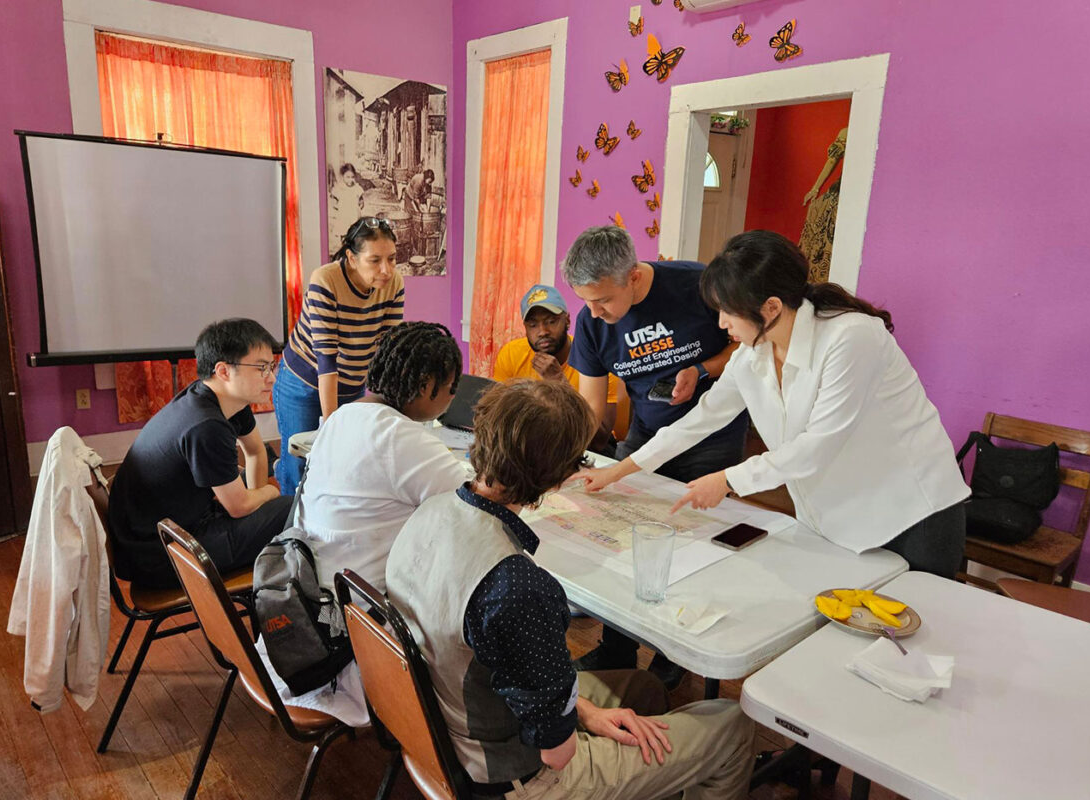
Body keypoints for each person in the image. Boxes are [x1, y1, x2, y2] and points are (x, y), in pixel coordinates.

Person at [386, 380, 755, 800]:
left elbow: (511, 671)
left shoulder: (430, 511)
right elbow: (557, 754)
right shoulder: (516, 586)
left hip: (448, 723)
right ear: (561, 477)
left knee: (644, 688)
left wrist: (584, 712)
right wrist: (577, 724)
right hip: (512, 776)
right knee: (732, 726)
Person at [578, 230, 972, 578]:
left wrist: (729, 479)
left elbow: (818, 445)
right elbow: (701, 418)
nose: (721, 326)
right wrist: (620, 471)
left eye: (727, 312)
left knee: (911, 642)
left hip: (912, 511)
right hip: (838, 513)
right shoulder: (752, 355)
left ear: (770, 307)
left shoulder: (851, 338)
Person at [256, 321, 470, 726]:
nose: (452, 397)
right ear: (426, 385)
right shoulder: (405, 438)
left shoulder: (341, 417)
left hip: (300, 608)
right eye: (450, 388)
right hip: (347, 638)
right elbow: (471, 504)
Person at [561, 226, 748, 675]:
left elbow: (745, 346)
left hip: (711, 438)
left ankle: (673, 657)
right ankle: (618, 650)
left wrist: (701, 368)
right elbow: (590, 405)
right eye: (585, 300)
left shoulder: (696, 285)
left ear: (634, 279)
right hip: (646, 434)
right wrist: (564, 450)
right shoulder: (592, 323)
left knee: (689, 547)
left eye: (603, 300)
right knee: (627, 540)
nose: (593, 311)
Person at [109, 318, 291, 589]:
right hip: (163, 553)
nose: (272, 377)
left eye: (271, 366)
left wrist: (257, 501)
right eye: (261, 368)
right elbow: (239, 507)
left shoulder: (220, 399)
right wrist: (268, 494)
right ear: (224, 371)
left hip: (176, 530)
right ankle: (284, 605)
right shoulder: (206, 424)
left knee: (272, 506)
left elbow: (254, 452)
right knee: (292, 505)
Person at [273, 216, 405, 494]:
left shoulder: (394, 284)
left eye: (392, 259)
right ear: (352, 257)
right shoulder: (326, 279)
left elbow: (388, 350)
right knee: (300, 466)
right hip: (305, 383)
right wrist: (330, 426)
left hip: (351, 384)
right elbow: (326, 361)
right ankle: (288, 532)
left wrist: (390, 411)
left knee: (344, 462)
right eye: (375, 260)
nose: (386, 269)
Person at [492, 283, 618, 452]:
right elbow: (497, 416)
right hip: (533, 444)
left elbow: (599, 440)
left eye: (551, 321)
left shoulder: (596, 360)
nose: (543, 331)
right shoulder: (511, 353)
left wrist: (559, 383)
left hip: (582, 449)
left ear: (567, 320)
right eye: (533, 325)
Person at [799, 127, 847, 284]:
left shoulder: (847, 132)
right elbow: (833, 160)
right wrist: (815, 188)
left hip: (846, 191)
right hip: (844, 189)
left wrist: (815, 188)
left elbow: (832, 160)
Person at [328, 163, 365, 252]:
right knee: (343, 233)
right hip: (343, 216)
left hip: (353, 216)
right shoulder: (339, 188)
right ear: (342, 177)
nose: (350, 180)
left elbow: (361, 201)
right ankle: (344, 251)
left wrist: (359, 207)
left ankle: (353, 251)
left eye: (352, 177)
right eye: (347, 177)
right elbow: (334, 201)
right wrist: (337, 208)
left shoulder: (356, 188)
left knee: (354, 235)